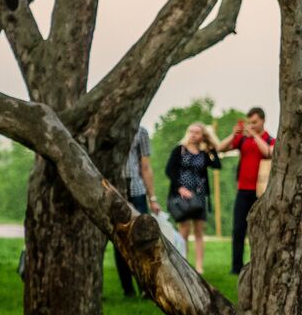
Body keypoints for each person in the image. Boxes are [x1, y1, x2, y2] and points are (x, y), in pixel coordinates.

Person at [216, 107, 275, 275]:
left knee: (259, 230)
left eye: (255, 122)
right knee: (238, 229)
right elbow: (220, 148)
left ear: (263, 121)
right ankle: (236, 267)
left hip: (261, 192)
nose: (252, 125)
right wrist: (235, 134)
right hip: (243, 191)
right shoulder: (243, 140)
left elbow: (268, 153)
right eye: (249, 123)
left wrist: (255, 135)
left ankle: (258, 264)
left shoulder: (269, 139)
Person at [165, 123, 221, 274]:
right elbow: (169, 170)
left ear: (202, 135)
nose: (194, 135)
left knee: (199, 230)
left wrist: (210, 145)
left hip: (199, 196)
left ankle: (199, 267)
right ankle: (183, 262)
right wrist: (180, 188)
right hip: (182, 195)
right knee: (184, 229)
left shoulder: (203, 153)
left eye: (197, 132)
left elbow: (217, 164)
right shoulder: (180, 150)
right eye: (191, 131)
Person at [115, 126, 161, 297]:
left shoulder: (141, 132)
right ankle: (128, 289)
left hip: (137, 191)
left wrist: (152, 197)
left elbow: (145, 166)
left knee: (141, 239)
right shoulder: (111, 128)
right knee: (120, 240)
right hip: (116, 190)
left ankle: (145, 286)